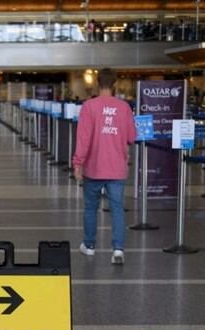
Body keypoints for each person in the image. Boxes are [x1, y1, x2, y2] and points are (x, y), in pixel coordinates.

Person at [72, 68, 136, 266]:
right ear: (115, 84)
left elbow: (83, 139)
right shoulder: (124, 107)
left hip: (94, 167)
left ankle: (89, 246)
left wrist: (77, 163)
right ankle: (118, 250)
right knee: (117, 209)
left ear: (98, 84)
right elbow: (132, 138)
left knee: (91, 207)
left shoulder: (89, 106)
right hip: (116, 168)